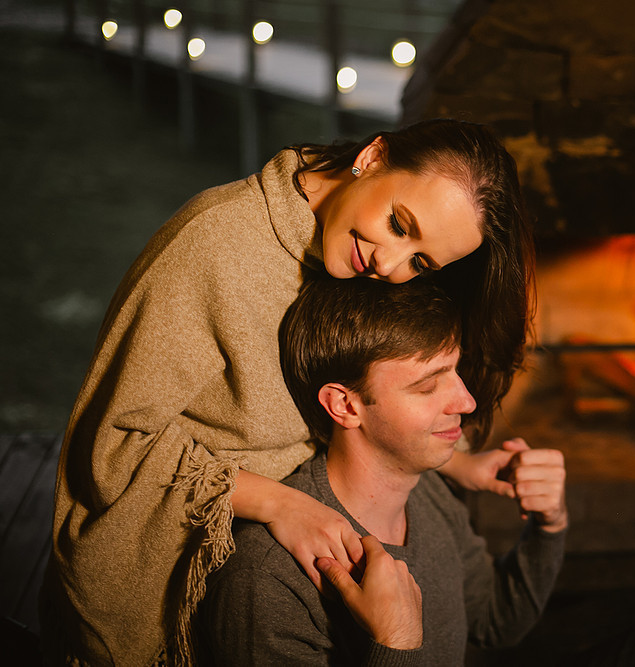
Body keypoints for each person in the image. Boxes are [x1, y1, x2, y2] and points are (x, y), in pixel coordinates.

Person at [40, 119, 535, 666]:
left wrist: (457, 463)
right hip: (158, 596)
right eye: (398, 223)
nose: (389, 265)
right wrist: (279, 503)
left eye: (421, 262)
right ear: (372, 156)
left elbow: (366, 386)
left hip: (271, 560)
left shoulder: (344, 241)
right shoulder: (215, 246)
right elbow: (113, 444)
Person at [198, 276, 567, 665]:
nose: (468, 401)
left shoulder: (426, 491)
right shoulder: (268, 578)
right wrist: (396, 644)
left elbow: (495, 621)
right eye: (427, 387)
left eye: (455, 371)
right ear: (345, 405)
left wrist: (549, 525)